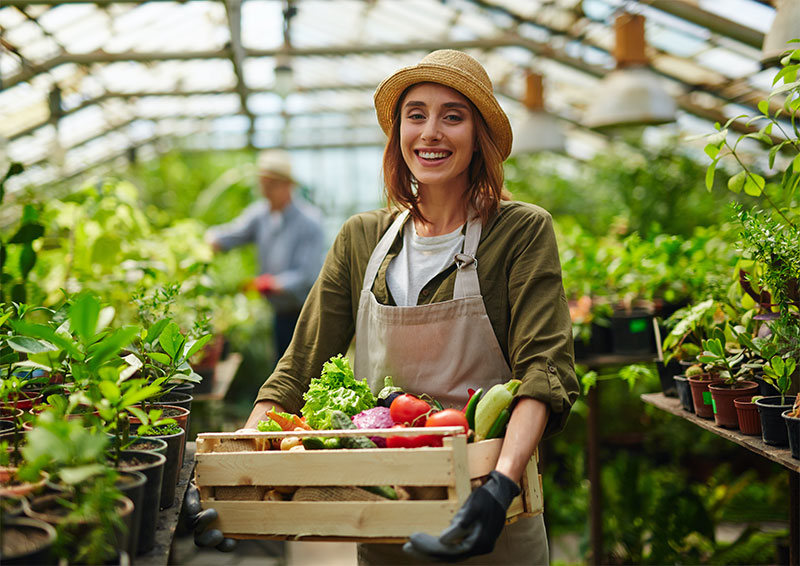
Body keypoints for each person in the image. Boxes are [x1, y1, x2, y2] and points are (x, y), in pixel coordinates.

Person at [189, 49, 579, 564]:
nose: (431, 132)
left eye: (453, 116)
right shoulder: (361, 238)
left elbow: (543, 372)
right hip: (382, 513)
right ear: (398, 133)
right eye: (415, 115)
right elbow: (296, 370)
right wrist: (236, 476)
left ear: (478, 136)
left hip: (489, 514)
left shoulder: (520, 231)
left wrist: (501, 486)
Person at [205, 149, 324, 365]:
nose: (266, 191)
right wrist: (207, 240)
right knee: (282, 365)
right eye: (263, 184)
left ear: (288, 185)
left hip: (306, 313)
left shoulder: (309, 221)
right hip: (280, 311)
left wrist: (271, 284)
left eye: (271, 185)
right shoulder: (261, 215)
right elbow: (234, 234)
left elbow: (307, 274)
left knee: (304, 368)